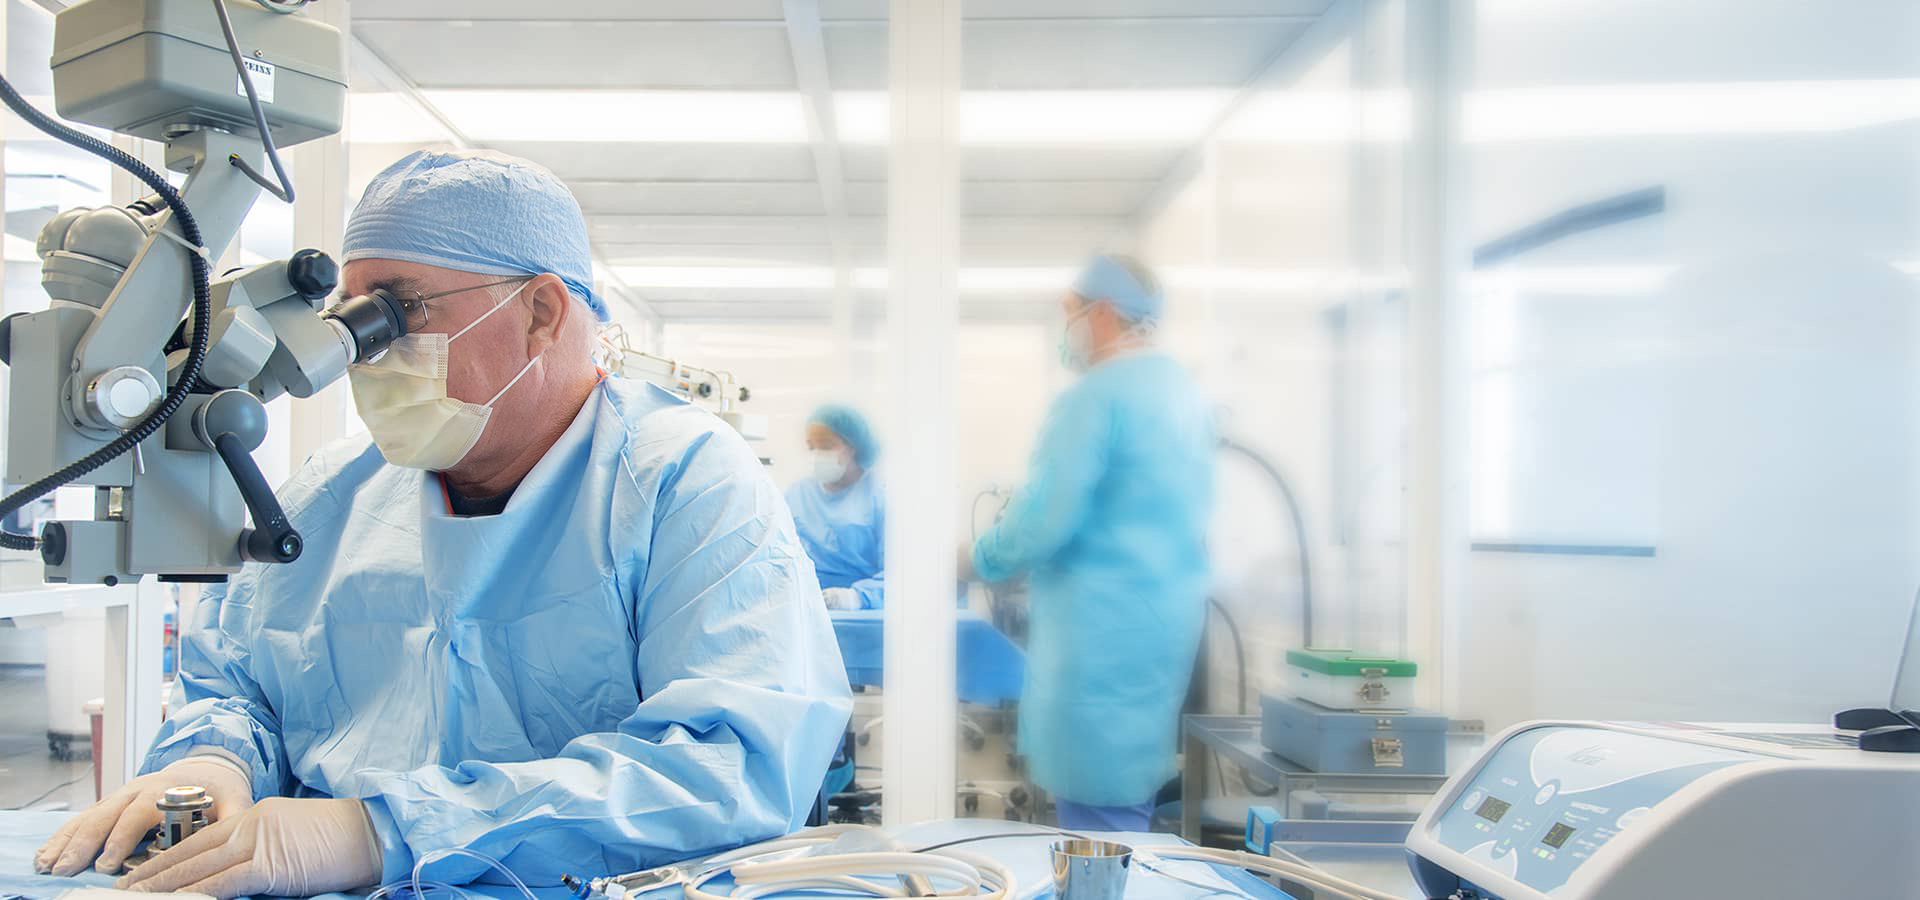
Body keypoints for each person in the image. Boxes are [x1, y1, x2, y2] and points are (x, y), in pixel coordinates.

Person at [34, 149, 852, 898]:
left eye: (399, 311)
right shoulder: (332, 495)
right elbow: (238, 684)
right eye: (351, 314)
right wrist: (216, 760)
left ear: (540, 311)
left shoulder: (683, 484)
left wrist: (381, 830)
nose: (363, 350)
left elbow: (728, 769)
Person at [963, 255, 1214, 833]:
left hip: (1100, 639)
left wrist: (979, 556)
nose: (1066, 326)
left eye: (1070, 312)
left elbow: (1043, 517)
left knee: (1097, 824)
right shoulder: (1180, 394)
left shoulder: (1096, 399)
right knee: (1123, 807)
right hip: (1156, 630)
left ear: (1101, 314)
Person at [786, 405, 885, 611]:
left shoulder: (881, 495)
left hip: (865, 619)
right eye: (811, 447)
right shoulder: (797, 494)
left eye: (826, 445)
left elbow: (904, 576)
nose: (817, 454)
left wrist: (857, 597)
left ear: (853, 447)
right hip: (806, 611)